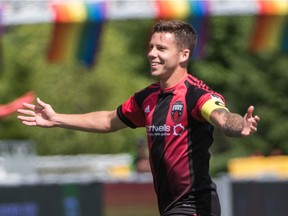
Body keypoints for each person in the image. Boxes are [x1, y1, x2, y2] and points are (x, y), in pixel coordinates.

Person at [17, 20, 260, 216]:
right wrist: (57, 118)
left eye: (161, 48)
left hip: (195, 206)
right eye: (151, 47)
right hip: (169, 207)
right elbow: (108, 120)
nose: (152, 53)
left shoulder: (197, 95)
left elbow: (221, 116)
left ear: (184, 54)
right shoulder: (147, 97)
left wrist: (239, 126)